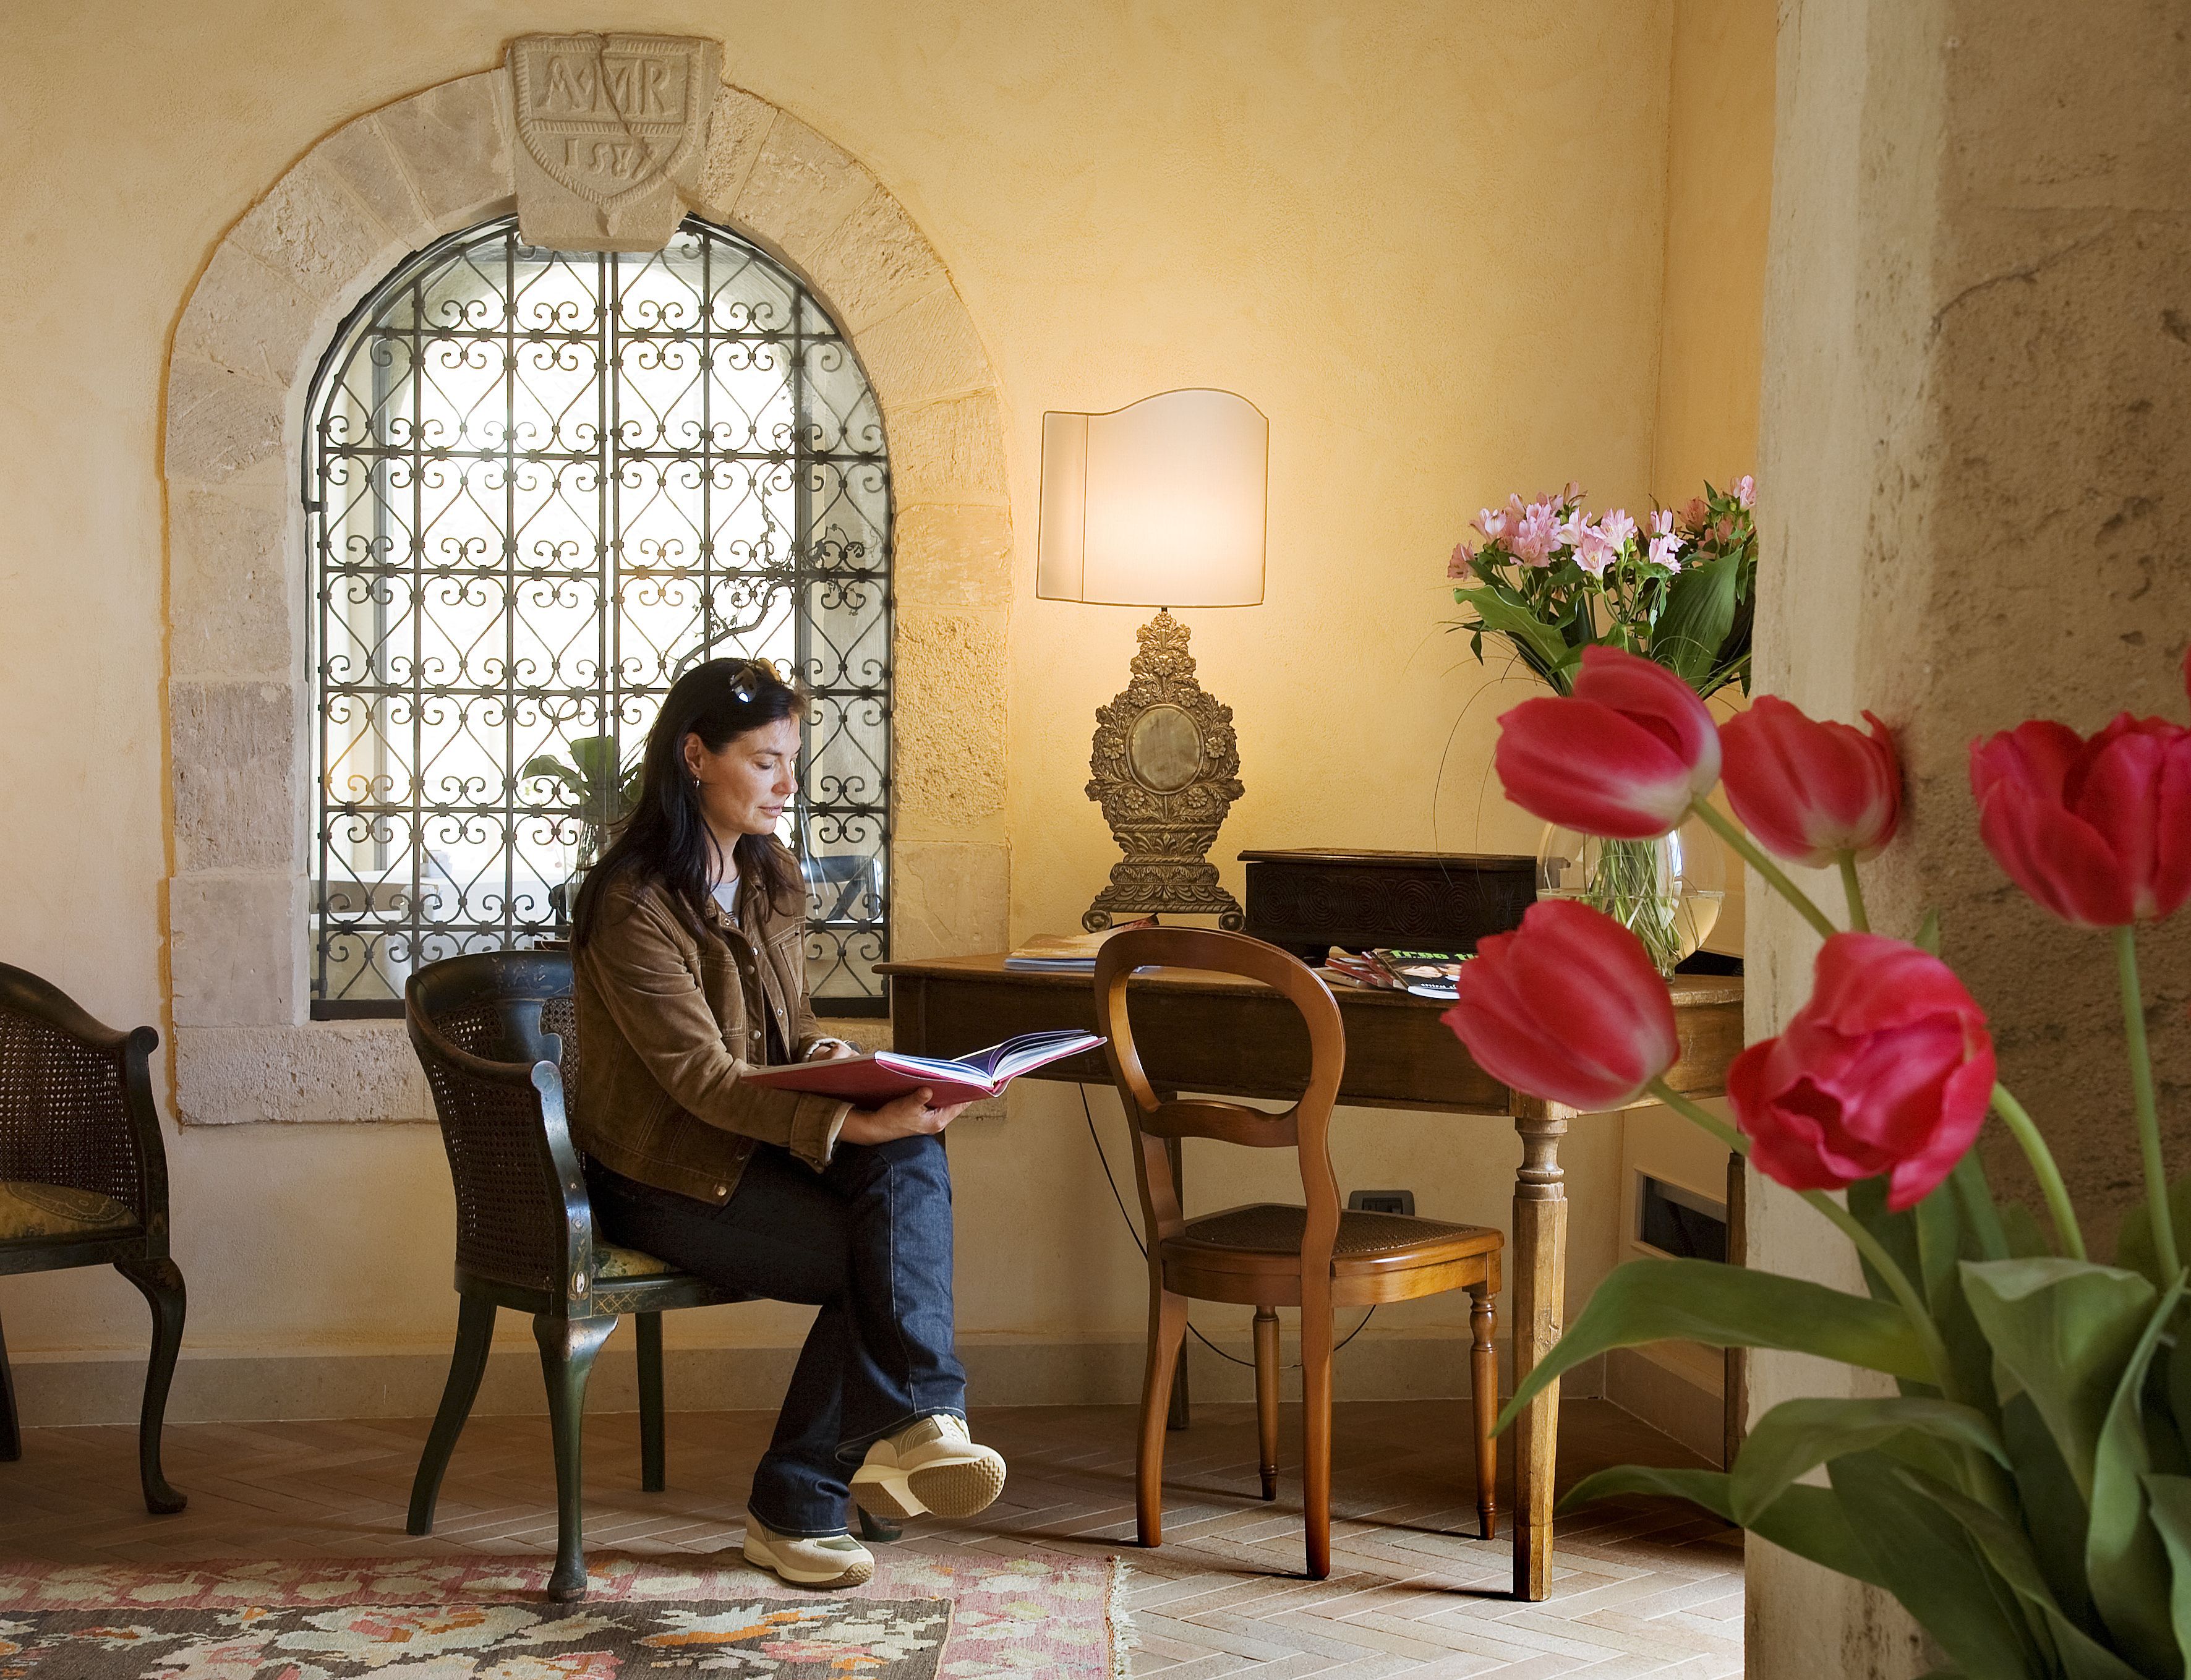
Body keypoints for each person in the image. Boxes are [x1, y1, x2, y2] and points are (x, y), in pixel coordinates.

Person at [569, 655, 1004, 1589]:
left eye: (790, 762)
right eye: (766, 762)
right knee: (874, 1250)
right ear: (695, 757)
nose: (788, 784)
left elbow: (789, 1029)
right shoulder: (631, 904)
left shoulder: (768, 876)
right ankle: (838, 1474)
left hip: (752, 1146)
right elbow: (701, 1080)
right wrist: (851, 1126)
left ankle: (909, 1431)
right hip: (664, 1175)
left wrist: (847, 1066)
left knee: (910, 1162)